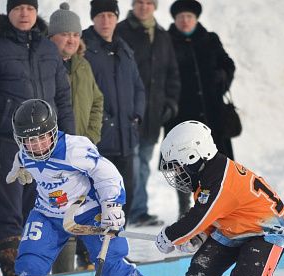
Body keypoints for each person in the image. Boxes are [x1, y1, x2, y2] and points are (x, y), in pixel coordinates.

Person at [6, 99, 183, 276]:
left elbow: (106, 173)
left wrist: (112, 205)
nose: (36, 146)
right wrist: (20, 167)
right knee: (29, 266)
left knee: (112, 270)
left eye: (42, 138)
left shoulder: (74, 149)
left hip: (88, 213)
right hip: (47, 214)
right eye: (28, 141)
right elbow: (22, 158)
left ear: (53, 132)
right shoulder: (25, 152)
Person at [153, 121, 284, 276]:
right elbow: (210, 213)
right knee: (198, 274)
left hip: (267, 230)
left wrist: (170, 236)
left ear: (193, 156)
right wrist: (199, 236)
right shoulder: (207, 175)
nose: (177, 172)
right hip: (233, 227)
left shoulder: (219, 181)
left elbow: (200, 215)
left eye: (178, 166)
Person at [0, 0, 75, 276]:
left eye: (29, 7)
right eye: (18, 8)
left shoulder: (46, 49)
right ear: (9, 12)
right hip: (7, 143)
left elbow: (62, 99)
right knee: (8, 211)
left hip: (44, 145)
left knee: (40, 208)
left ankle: (35, 269)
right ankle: (13, 272)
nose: (24, 13)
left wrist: (71, 141)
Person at [165, 0, 236, 219]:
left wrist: (222, 76)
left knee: (218, 159)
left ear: (196, 19)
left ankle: (224, 201)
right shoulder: (167, 42)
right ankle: (185, 206)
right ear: (175, 20)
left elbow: (228, 64)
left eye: (189, 17)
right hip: (182, 114)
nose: (185, 21)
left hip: (212, 113)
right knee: (182, 162)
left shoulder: (210, 39)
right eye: (181, 18)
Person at [48, 2, 104, 272]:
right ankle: (59, 271)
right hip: (52, 152)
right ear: (52, 37)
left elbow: (97, 101)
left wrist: (90, 137)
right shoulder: (45, 64)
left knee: (81, 206)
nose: (71, 39)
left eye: (75, 34)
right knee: (58, 210)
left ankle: (83, 263)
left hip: (79, 151)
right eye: (65, 34)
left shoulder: (83, 65)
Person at [116, 0, 181, 228]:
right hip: (129, 113)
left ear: (154, 6)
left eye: (148, 3)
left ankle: (138, 210)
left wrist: (171, 102)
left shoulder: (162, 35)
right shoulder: (121, 31)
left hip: (153, 115)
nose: (143, 7)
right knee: (130, 165)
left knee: (142, 164)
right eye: (139, 2)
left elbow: (172, 72)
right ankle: (132, 211)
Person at [83, 0, 146, 222]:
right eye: (100, 16)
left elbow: (138, 86)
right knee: (99, 197)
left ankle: (116, 242)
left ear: (117, 18)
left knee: (125, 192)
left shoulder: (124, 48)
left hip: (126, 137)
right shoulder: (84, 48)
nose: (106, 21)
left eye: (110, 15)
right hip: (100, 140)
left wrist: (136, 116)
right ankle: (92, 250)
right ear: (93, 18)